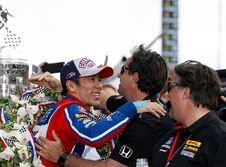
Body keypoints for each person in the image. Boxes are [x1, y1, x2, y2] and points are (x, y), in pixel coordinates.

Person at [35, 45, 174, 167]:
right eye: (92, 79)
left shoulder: (150, 118)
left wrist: (62, 158)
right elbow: (97, 117)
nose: (99, 85)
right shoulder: (70, 108)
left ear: (135, 77)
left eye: (123, 70)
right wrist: (64, 86)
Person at [151, 60, 226, 167]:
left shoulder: (221, 140)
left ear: (186, 92)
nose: (167, 94)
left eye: (170, 86)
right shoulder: (169, 136)